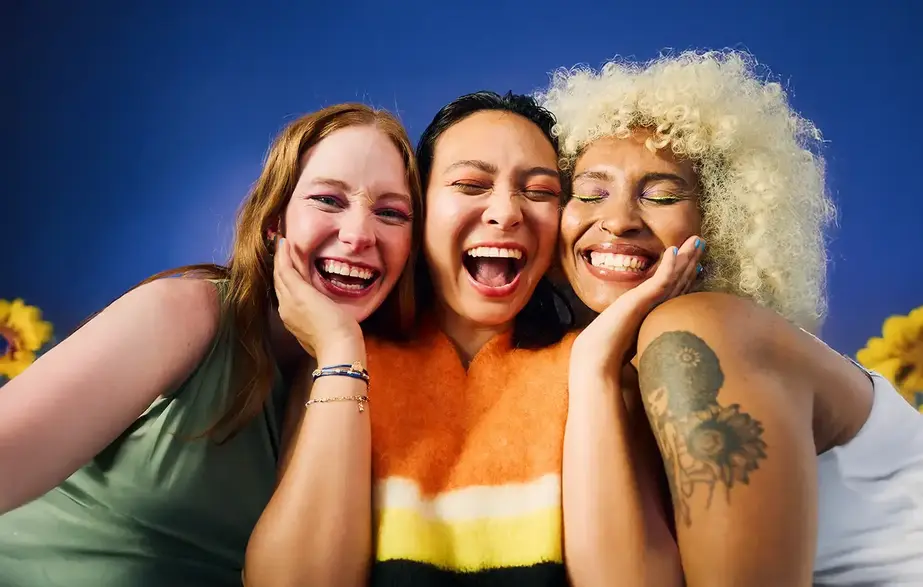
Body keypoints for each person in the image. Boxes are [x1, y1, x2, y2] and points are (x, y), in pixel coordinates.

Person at [245, 91, 694, 587]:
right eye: (470, 184)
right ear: (418, 213)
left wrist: (592, 367)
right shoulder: (342, 367)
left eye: (540, 192)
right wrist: (337, 355)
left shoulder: (606, 374)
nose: (506, 212)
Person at [538, 50, 923, 586]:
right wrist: (592, 366)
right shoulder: (605, 369)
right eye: (589, 192)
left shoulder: (699, 332)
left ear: (720, 221)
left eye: (663, 195)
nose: (619, 220)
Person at [0, 103, 422, 587]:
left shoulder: (367, 379)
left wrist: (338, 349)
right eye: (328, 200)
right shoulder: (184, 314)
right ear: (274, 223)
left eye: (391, 212)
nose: (358, 235)